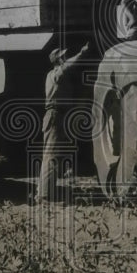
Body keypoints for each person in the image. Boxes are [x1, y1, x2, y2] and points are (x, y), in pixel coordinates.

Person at [38, 42, 91, 202]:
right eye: (63, 57)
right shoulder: (56, 73)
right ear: (58, 61)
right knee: (51, 155)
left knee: (54, 154)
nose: (66, 58)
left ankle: (45, 192)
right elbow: (68, 66)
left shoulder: (54, 75)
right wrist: (81, 53)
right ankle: (45, 196)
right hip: (55, 115)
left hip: (57, 115)